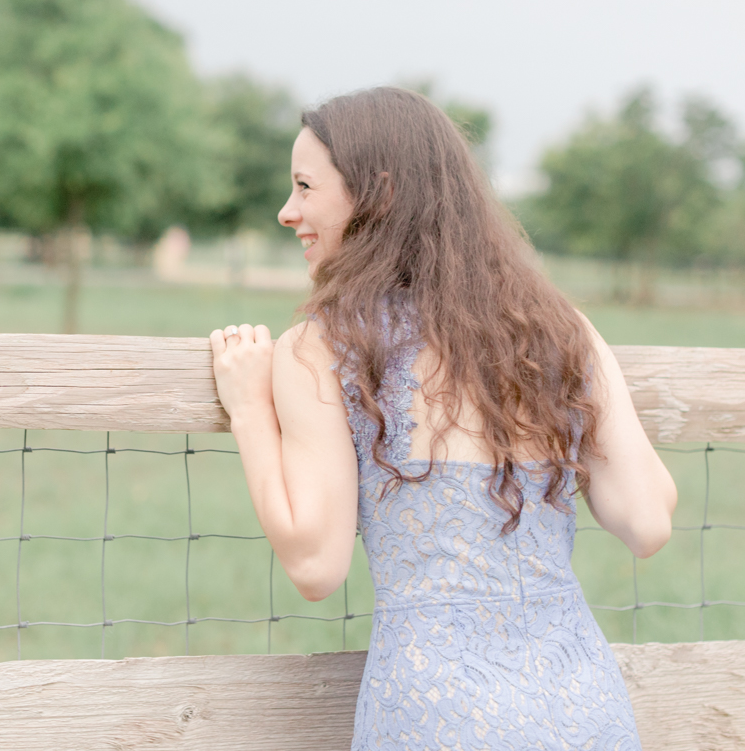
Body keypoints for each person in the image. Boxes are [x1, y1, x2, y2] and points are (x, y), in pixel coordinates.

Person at [209, 87, 676, 750]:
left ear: (381, 192)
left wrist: (250, 410)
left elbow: (315, 564)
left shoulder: (326, 345)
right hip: (583, 708)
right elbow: (649, 522)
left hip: (437, 715)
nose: (288, 212)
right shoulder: (560, 333)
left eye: (306, 187)